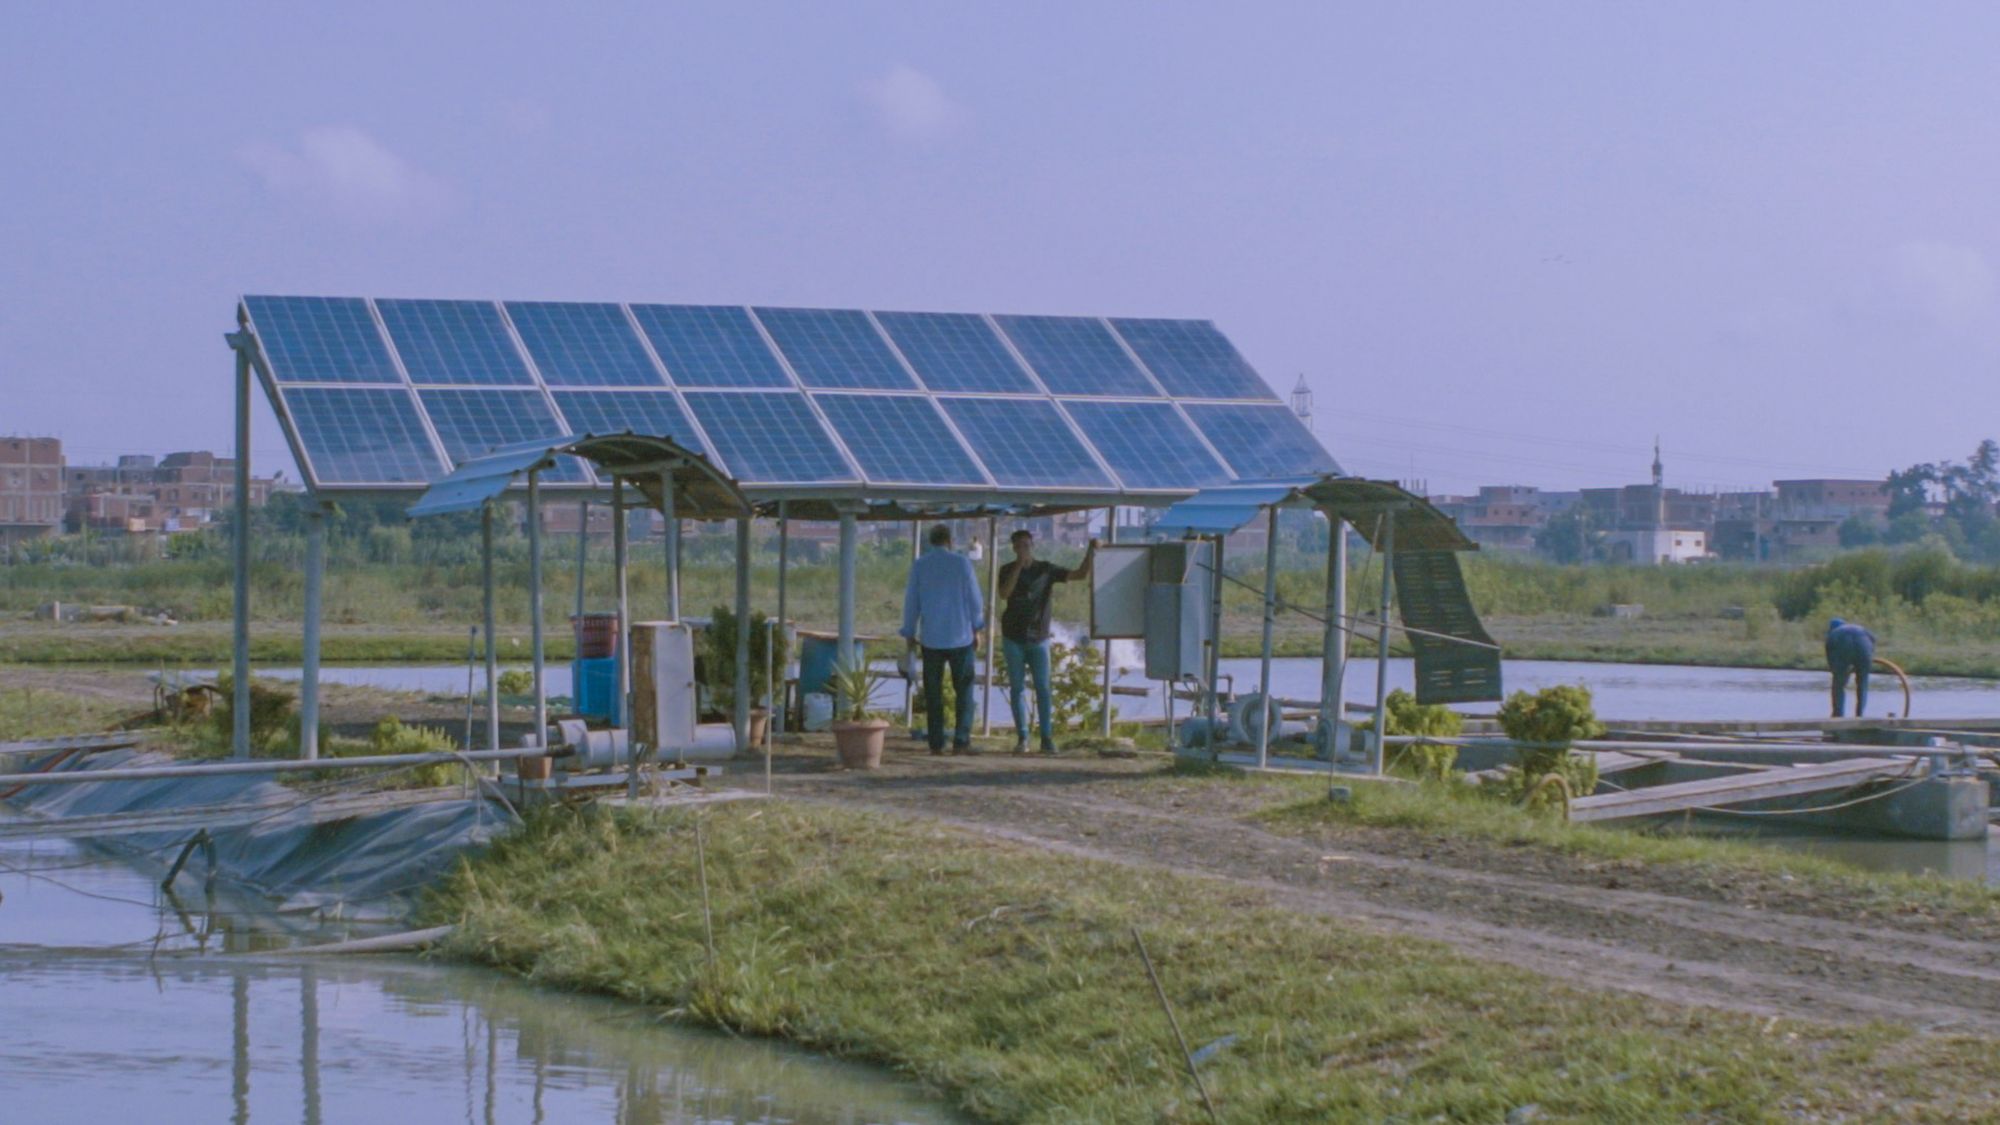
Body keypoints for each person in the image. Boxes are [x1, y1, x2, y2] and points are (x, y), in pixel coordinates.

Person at [998, 529, 1096, 754]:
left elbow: (1079, 575)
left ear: (1033, 545)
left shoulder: (1046, 570)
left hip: (1039, 638)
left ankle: (1046, 738)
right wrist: (1017, 567)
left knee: (1043, 688)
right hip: (1013, 636)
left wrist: (1090, 551)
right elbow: (1004, 593)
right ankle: (1023, 737)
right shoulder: (1006, 570)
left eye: (1026, 545)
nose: (1023, 549)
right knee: (1017, 688)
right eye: (1019, 545)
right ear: (1013, 548)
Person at [900, 524, 984, 754]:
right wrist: (978, 628)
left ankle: (936, 743)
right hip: (961, 637)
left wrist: (909, 632)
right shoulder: (962, 563)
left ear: (931, 540)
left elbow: (912, 602)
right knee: (964, 691)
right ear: (950, 541)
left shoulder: (920, 566)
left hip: (931, 639)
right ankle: (961, 739)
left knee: (933, 693)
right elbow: (974, 600)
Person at [1825, 617, 1877, 718]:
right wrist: (1866, 660)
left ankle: (1838, 715)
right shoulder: (1861, 629)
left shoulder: (1834, 634)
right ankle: (1860, 715)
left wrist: (1839, 672)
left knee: (1839, 685)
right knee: (1862, 683)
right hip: (1865, 648)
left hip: (1844, 648)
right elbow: (1872, 641)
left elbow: (1831, 659)